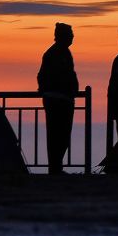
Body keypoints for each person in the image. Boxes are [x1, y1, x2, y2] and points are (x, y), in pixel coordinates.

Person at [37, 23, 79, 175]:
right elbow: (61, 76)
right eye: (70, 34)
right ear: (63, 36)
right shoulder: (57, 53)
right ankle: (55, 168)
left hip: (59, 99)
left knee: (58, 135)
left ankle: (55, 167)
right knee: (59, 135)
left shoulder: (59, 53)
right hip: (59, 100)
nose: (73, 37)